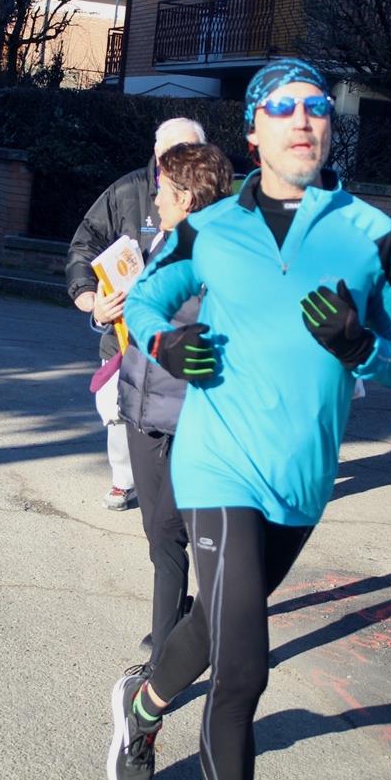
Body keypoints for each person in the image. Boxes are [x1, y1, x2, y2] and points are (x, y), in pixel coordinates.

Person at [107, 58, 391, 780]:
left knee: (212, 625)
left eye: (315, 106)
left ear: (331, 126)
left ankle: (141, 708)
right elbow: (147, 299)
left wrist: (362, 347)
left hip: (302, 478)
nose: (302, 119)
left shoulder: (373, 235)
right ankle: (150, 737)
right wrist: (165, 343)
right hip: (218, 466)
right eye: (281, 107)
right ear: (253, 132)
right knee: (244, 672)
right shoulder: (211, 228)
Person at [117, 141, 234, 674]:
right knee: (157, 534)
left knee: (170, 534)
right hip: (142, 407)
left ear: (186, 197)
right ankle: (178, 621)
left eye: (163, 189)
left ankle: (167, 658)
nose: (155, 198)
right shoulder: (165, 240)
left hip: (191, 418)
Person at [67, 118, 206, 512]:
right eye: (170, 156)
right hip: (125, 335)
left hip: (185, 336)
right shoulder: (128, 191)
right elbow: (84, 243)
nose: (177, 164)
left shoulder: (217, 200)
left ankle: (177, 488)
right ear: (156, 155)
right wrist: (90, 298)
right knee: (117, 408)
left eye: (189, 154)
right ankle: (124, 478)